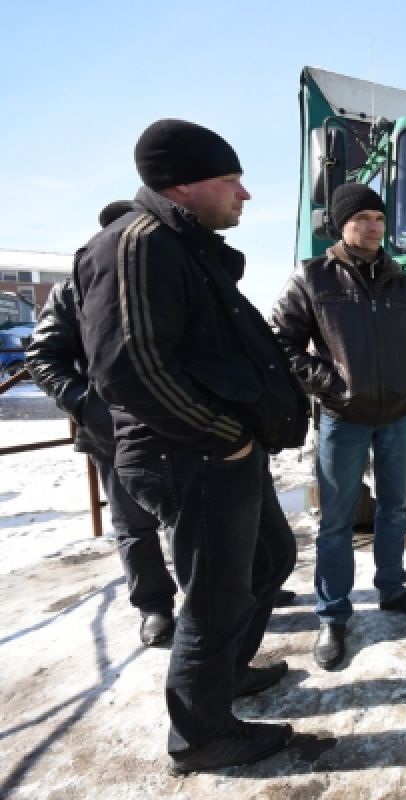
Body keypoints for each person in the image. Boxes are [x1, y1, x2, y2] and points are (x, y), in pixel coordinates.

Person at [73, 119, 309, 774]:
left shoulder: (186, 245)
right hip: (191, 456)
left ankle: (226, 676)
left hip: (224, 455)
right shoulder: (137, 245)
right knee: (215, 596)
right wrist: (225, 437)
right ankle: (200, 735)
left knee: (270, 558)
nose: (244, 195)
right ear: (181, 184)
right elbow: (132, 369)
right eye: (230, 180)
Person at [271, 183, 406, 670]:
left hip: (396, 418)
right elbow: (280, 343)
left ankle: (392, 590)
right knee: (336, 521)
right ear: (341, 224)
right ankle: (332, 613)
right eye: (362, 218)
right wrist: (330, 386)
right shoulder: (313, 277)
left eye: (379, 218)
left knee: (395, 511)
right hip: (341, 420)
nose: (372, 226)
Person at [26, 200, 178, 647]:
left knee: (197, 518)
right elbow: (43, 356)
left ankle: (216, 599)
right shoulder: (75, 286)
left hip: (180, 423)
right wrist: (88, 406)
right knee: (134, 525)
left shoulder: (170, 277)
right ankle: (154, 606)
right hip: (112, 432)